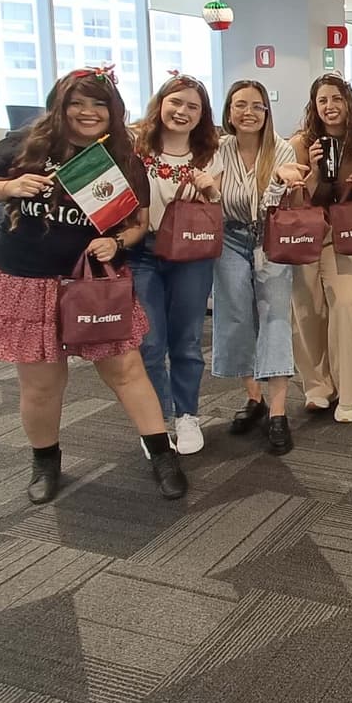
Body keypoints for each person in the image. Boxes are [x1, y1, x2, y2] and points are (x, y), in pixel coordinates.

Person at [0, 66, 186, 504]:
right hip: (26, 279)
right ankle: (45, 460)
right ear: (60, 106)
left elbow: (138, 224)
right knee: (43, 383)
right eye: (77, 103)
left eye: (98, 104)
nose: (87, 112)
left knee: (127, 370)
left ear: (113, 110)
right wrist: (10, 185)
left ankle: (162, 454)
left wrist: (116, 240)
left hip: (94, 281)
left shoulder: (121, 158)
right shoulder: (25, 143)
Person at [129, 73, 223, 456]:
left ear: (202, 115)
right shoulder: (135, 147)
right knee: (149, 343)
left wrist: (210, 190)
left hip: (192, 253)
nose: (182, 112)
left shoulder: (210, 154)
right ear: (160, 103)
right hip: (141, 252)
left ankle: (187, 415)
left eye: (192, 107)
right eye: (176, 102)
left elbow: (218, 207)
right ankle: (155, 422)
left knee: (185, 341)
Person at [213, 79, 306, 454]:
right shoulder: (219, 150)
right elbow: (214, 198)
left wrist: (284, 184)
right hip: (230, 238)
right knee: (238, 317)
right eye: (240, 105)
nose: (248, 112)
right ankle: (255, 398)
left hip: (271, 239)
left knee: (275, 320)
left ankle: (279, 412)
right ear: (229, 112)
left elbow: (284, 205)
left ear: (267, 111)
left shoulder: (282, 150)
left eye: (256, 105)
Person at [289, 74, 352, 423]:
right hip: (306, 234)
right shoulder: (299, 143)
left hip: (343, 237)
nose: (330, 107)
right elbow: (293, 199)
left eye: (336, 99)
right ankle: (317, 387)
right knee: (307, 310)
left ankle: (349, 391)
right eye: (322, 100)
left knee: (345, 305)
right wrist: (312, 170)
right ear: (314, 106)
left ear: (348, 102)